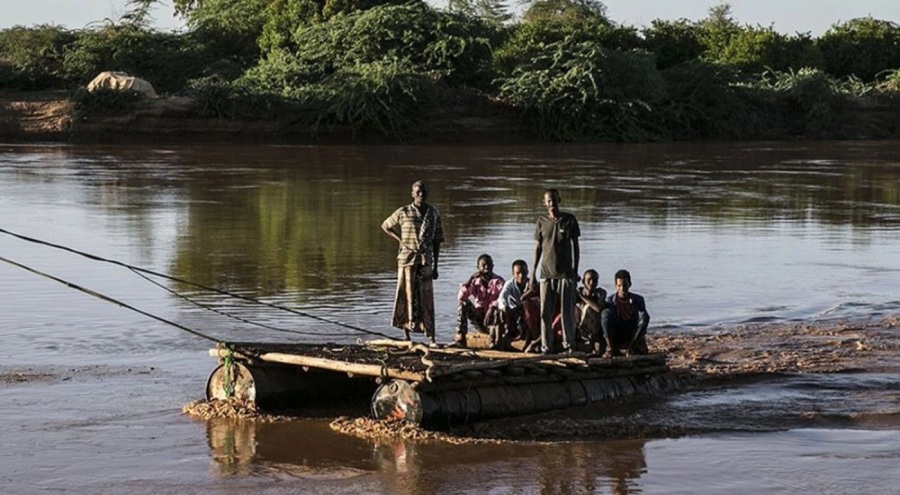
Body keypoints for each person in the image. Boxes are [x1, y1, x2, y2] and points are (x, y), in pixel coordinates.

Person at [381, 180, 444, 346]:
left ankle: (431, 337)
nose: (421, 195)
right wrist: (400, 240)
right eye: (418, 192)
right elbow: (385, 225)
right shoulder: (403, 212)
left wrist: (436, 266)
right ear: (412, 194)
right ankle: (406, 335)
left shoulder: (433, 213)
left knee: (426, 299)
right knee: (406, 296)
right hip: (407, 260)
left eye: (423, 192)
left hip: (425, 261)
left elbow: (437, 241)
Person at [530, 188, 581, 354]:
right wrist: (532, 274)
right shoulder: (541, 222)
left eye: (554, 200)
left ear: (559, 200)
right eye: (548, 201)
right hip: (546, 273)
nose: (552, 204)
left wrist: (575, 270)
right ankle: (546, 346)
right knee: (545, 312)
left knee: (567, 311)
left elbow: (576, 246)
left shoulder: (569, 220)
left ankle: (569, 346)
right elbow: (538, 248)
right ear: (544, 203)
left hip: (565, 273)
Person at [453, 254, 505, 348]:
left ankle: (496, 340)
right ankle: (461, 337)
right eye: (484, 265)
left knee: (498, 309)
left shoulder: (498, 281)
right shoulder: (475, 281)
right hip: (480, 319)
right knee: (463, 303)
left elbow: (503, 298)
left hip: (495, 321)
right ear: (478, 267)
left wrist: (492, 307)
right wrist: (470, 280)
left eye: (489, 264)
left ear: (493, 266)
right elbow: (461, 297)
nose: (487, 267)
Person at [600, 269, 650, 357]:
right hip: (617, 330)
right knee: (605, 313)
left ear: (630, 284)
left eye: (625, 285)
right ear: (615, 286)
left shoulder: (638, 300)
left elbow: (643, 321)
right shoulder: (610, 301)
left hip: (631, 330)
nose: (622, 289)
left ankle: (631, 347)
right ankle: (610, 348)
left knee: (644, 315)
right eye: (619, 286)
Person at [497, 259, 541, 352]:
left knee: (526, 305)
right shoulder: (509, 284)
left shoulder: (532, 285)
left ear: (528, 272)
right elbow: (502, 298)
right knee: (500, 311)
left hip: (530, 317)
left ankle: (533, 339)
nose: (521, 276)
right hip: (515, 314)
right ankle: (502, 339)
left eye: (524, 273)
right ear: (513, 273)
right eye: (518, 273)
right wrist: (504, 307)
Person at [575, 269, 608, 354]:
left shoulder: (599, 294)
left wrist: (582, 296)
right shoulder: (577, 292)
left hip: (592, 332)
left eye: (595, 280)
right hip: (578, 329)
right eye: (589, 280)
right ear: (583, 281)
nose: (592, 283)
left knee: (589, 308)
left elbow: (598, 309)